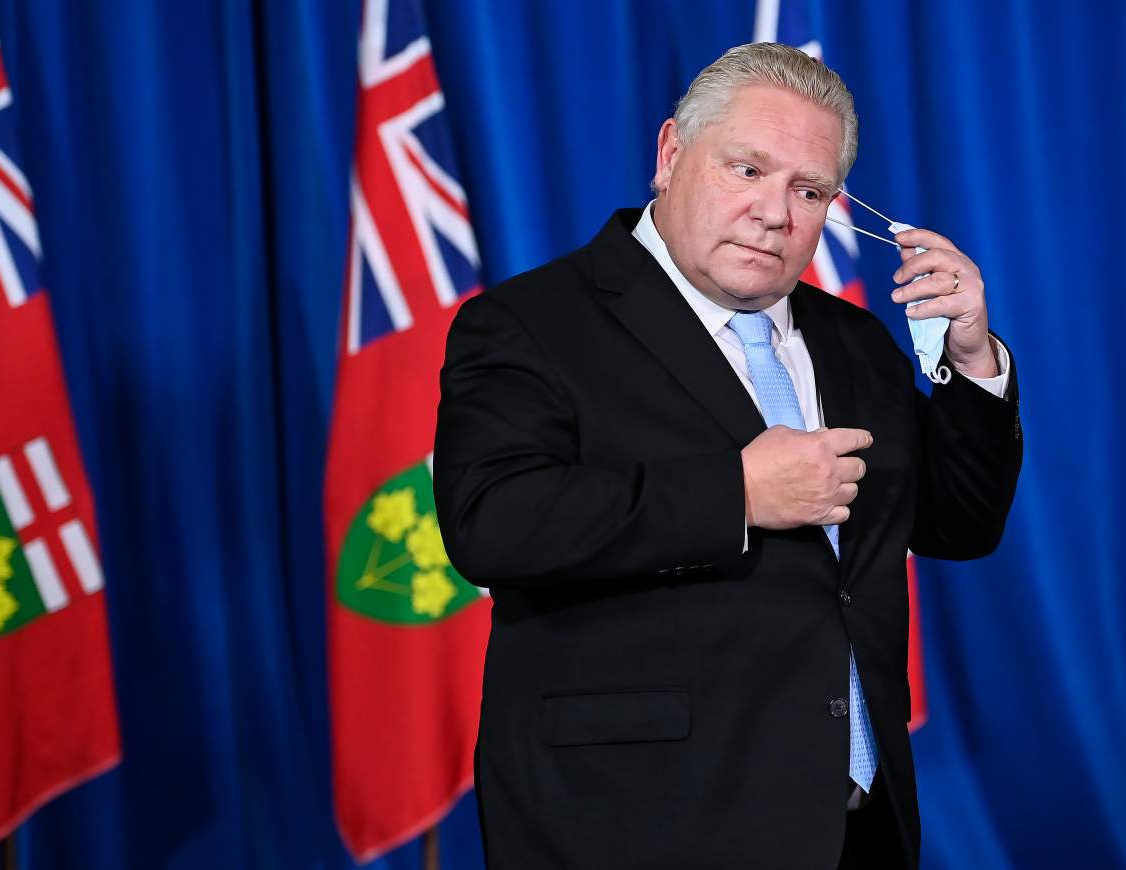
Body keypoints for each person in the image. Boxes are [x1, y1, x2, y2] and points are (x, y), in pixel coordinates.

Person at [433, 42, 1022, 870]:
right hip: (637, 828)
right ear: (671, 154)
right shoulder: (529, 322)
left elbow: (958, 523)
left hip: (853, 827)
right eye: (747, 170)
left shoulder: (850, 339)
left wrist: (970, 361)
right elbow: (490, 525)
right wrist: (736, 493)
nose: (775, 213)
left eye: (808, 190)